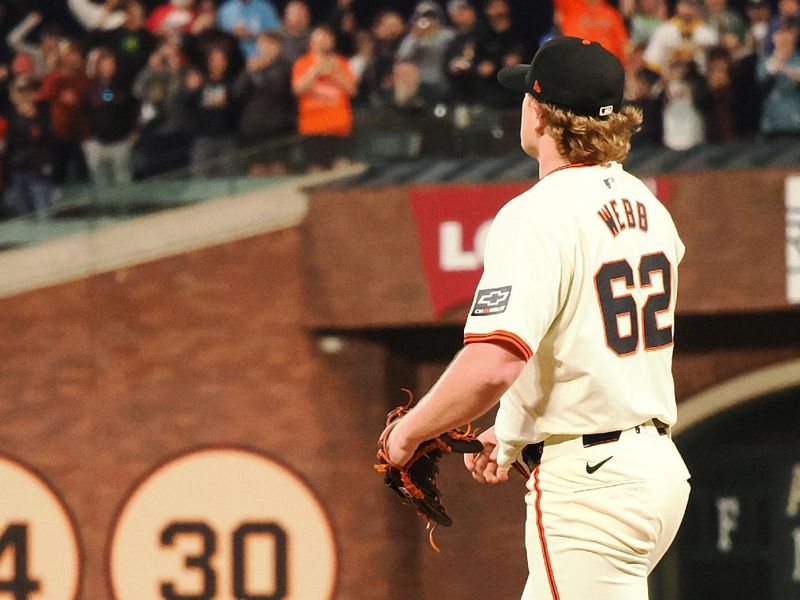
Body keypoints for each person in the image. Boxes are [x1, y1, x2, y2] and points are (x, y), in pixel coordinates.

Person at [381, 36, 690, 599]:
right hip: (652, 469)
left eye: (527, 94)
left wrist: (408, 433)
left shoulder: (537, 213)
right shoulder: (649, 205)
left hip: (593, 486)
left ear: (541, 113)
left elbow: (493, 365)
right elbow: (587, 342)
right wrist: (516, 430)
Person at [292, 26, 356, 170]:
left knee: (341, 167)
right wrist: (315, 71)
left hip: (339, 125)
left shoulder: (342, 62)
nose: (322, 42)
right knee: (315, 169)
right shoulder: (302, 63)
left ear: (332, 42)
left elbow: (352, 90)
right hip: (312, 126)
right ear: (311, 42)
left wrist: (337, 72)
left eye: (325, 38)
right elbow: (297, 89)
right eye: (318, 39)